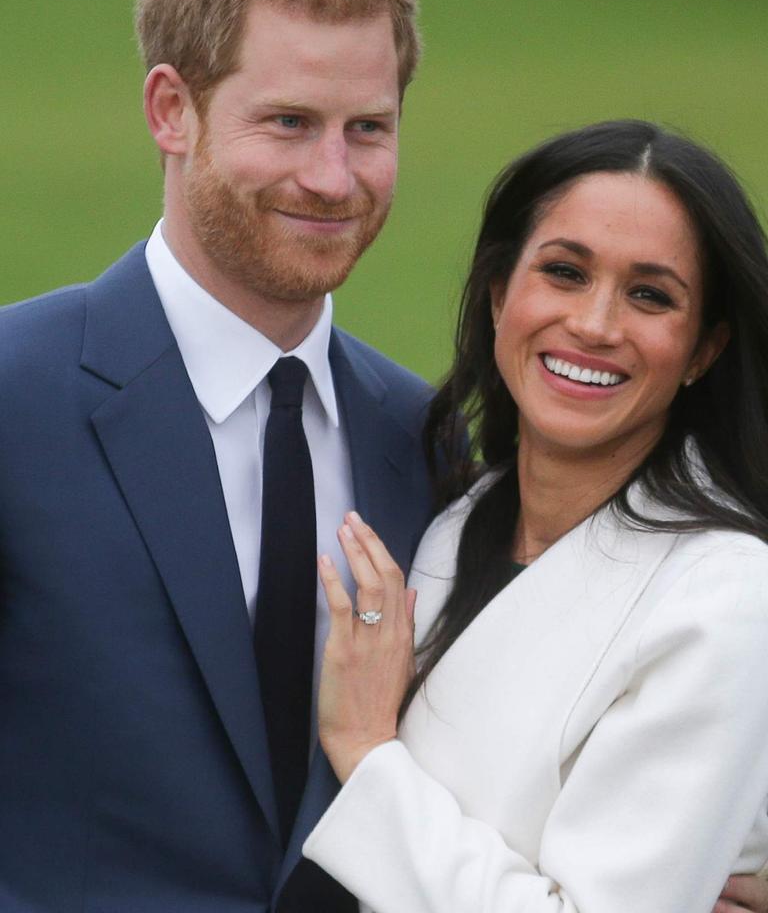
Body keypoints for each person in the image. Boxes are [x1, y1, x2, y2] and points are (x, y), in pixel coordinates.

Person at [0, 0, 436, 912]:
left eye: (367, 128)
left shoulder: (427, 441)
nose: (333, 178)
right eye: (288, 122)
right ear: (171, 110)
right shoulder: (14, 396)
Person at [304, 119, 768, 913]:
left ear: (704, 350)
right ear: (498, 294)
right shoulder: (452, 518)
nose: (594, 325)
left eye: (650, 296)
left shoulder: (725, 598)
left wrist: (367, 752)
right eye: (563, 272)